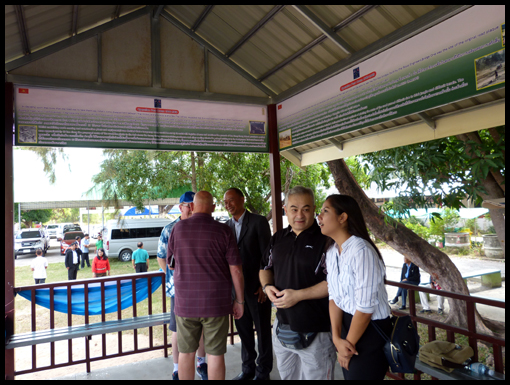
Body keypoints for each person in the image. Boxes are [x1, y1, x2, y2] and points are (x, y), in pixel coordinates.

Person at [259, 186, 336, 381]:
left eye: (306, 209)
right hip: (282, 325)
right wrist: (267, 287)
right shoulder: (278, 238)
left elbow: (334, 283)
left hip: (317, 328)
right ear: (285, 210)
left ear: (314, 209)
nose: (299, 215)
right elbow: (264, 268)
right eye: (294, 209)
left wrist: (299, 295)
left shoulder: (326, 240)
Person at [167, 191, 245, 381]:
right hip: (216, 304)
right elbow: (236, 270)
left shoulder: (178, 229)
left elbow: (170, 263)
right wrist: (240, 301)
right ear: (213, 208)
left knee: (186, 353)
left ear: (192, 207)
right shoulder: (224, 231)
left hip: (185, 304)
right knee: (216, 354)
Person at [318, 194, 392, 380]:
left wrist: (346, 347)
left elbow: (366, 309)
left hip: (368, 331)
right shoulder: (332, 251)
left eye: (325, 211)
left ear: (343, 217)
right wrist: (336, 339)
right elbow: (333, 297)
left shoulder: (362, 251)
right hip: (346, 327)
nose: (319, 217)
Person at [157, 191, 209, 380]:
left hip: (200, 288)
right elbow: (161, 258)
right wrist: (173, 276)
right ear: (181, 207)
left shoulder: (202, 227)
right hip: (178, 291)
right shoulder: (170, 229)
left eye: (195, 205)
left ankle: (201, 363)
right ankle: (177, 368)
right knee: (177, 329)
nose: (193, 209)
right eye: (189, 205)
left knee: (201, 327)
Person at [224, 188, 273, 381]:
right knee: (243, 331)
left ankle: (263, 372)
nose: (228, 204)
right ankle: (248, 369)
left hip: (257, 288)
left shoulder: (258, 222)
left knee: (262, 332)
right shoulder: (226, 226)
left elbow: (268, 255)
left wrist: (265, 284)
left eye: (231, 200)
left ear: (242, 199)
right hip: (237, 292)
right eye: (225, 202)